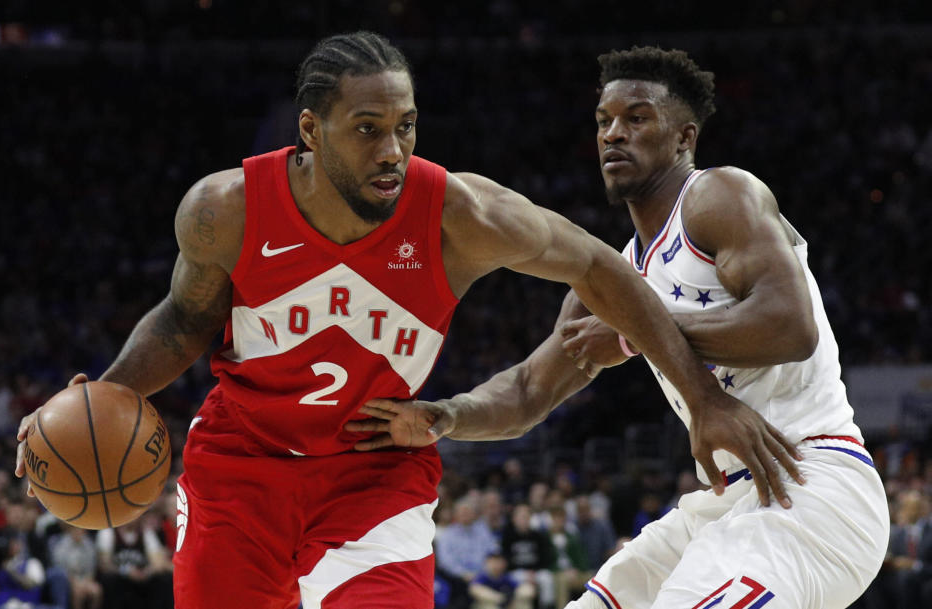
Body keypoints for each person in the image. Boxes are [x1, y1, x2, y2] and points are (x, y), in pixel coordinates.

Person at [15, 33, 799, 608]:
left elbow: (599, 265)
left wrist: (703, 396)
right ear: (312, 132)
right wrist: (96, 402)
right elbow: (185, 322)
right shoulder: (227, 210)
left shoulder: (458, 213)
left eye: (407, 126)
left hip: (374, 475)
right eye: (368, 129)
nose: (393, 149)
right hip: (241, 471)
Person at [349, 46, 890, 608]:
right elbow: (531, 390)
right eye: (604, 121)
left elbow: (788, 326)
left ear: (684, 138)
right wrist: (444, 415)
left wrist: (633, 337)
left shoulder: (718, 196)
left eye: (637, 119)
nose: (613, 134)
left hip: (810, 482)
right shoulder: (611, 275)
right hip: (724, 500)